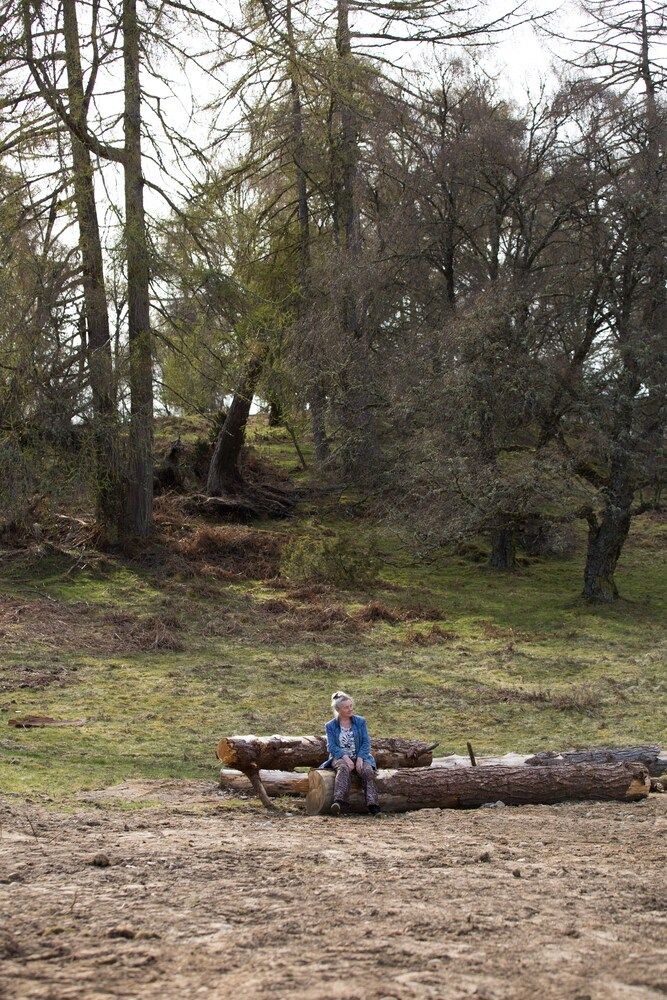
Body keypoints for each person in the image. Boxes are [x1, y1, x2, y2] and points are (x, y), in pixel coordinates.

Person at [319, 691, 382, 816]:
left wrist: (360, 759)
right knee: (343, 768)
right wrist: (345, 757)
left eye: (351, 706)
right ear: (338, 709)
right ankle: (339, 802)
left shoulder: (360, 721)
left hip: (360, 756)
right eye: (346, 707)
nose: (350, 709)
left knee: (368, 771)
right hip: (340, 757)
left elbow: (365, 743)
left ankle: (373, 806)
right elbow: (331, 746)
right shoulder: (330, 726)